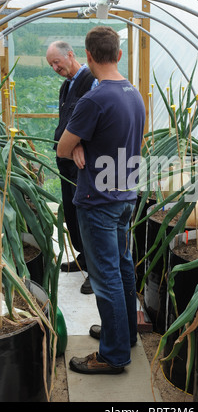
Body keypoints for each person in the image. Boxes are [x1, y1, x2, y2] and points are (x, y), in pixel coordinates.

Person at [57, 26, 145, 374]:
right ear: (119, 55)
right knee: (122, 267)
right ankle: (123, 335)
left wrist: (76, 144)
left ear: (88, 56)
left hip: (98, 200)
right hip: (125, 196)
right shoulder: (133, 93)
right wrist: (82, 143)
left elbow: (63, 148)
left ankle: (113, 355)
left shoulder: (94, 99)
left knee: (105, 275)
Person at [46, 40, 98, 294]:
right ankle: (84, 260)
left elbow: (97, 121)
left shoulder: (92, 81)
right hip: (66, 162)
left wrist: (79, 144)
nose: (55, 67)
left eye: (57, 61)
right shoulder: (66, 85)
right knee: (72, 214)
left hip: (82, 163)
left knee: (86, 217)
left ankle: (95, 273)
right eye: (51, 65)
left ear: (70, 54)